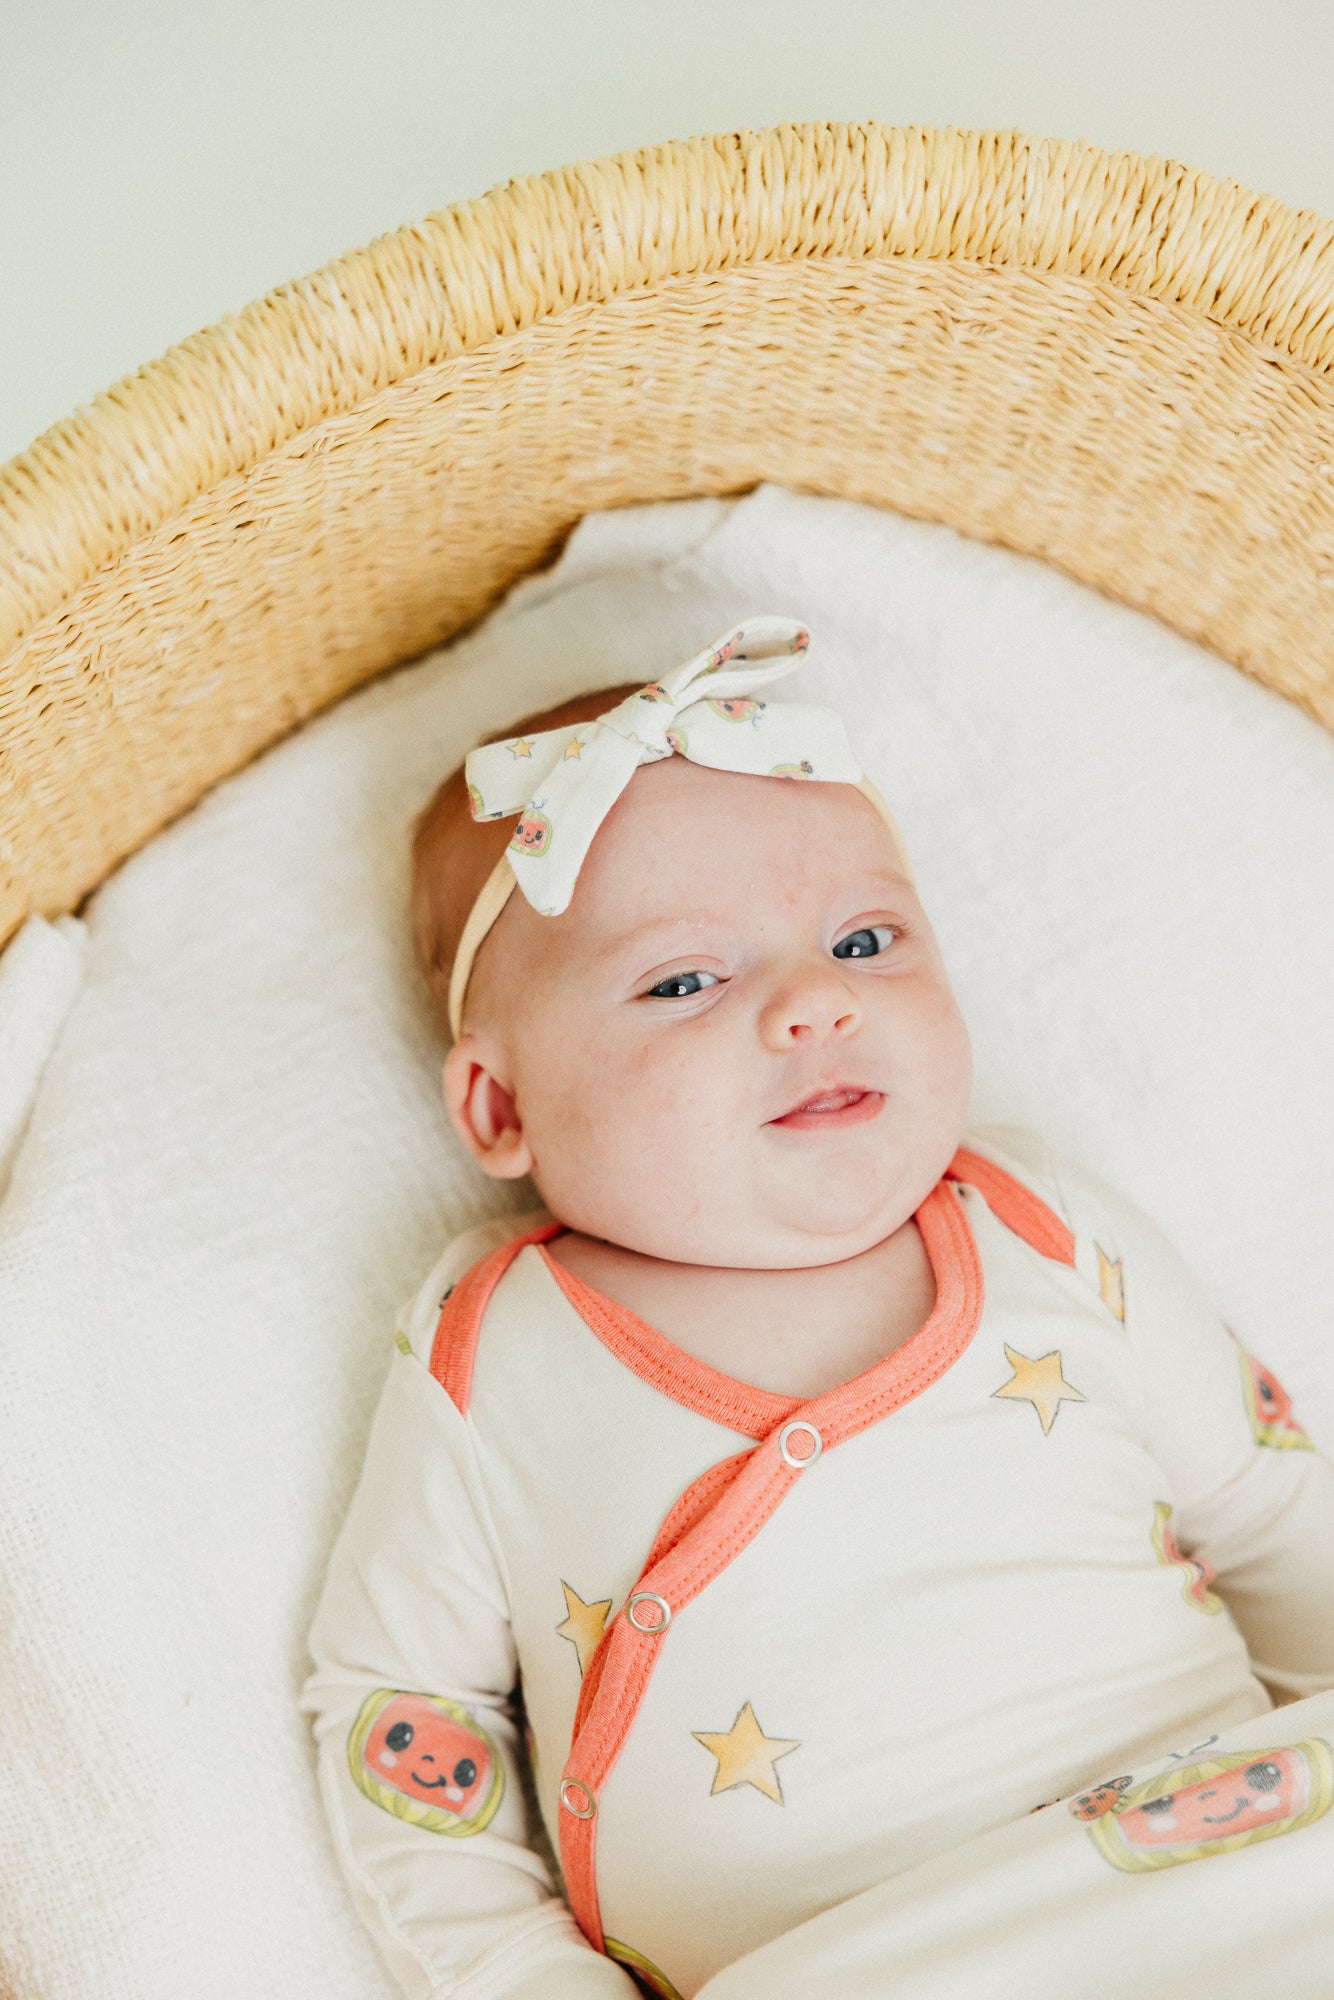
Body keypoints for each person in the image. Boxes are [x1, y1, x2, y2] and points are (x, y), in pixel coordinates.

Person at [302, 619, 1334, 2000]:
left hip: (1235, 1868)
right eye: (685, 979)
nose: (814, 1001)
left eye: (862, 939)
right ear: (500, 1106)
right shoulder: (495, 1355)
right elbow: (403, 1717)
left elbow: (1277, 1518)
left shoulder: (1041, 1229)